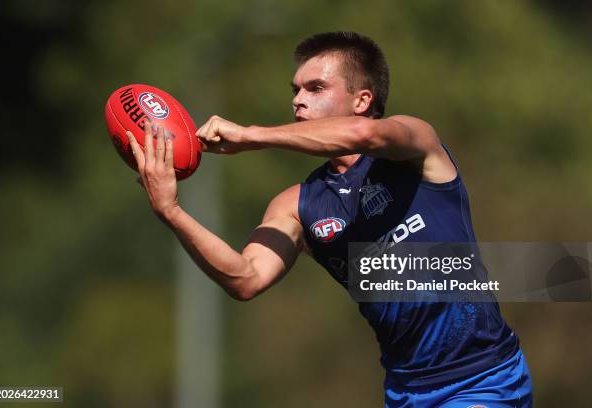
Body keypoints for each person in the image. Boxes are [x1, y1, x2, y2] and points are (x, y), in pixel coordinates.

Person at [126, 31, 533, 407]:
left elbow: (364, 137)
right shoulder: (297, 206)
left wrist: (253, 136)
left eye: (316, 88)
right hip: (406, 391)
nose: (297, 100)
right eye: (295, 90)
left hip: (484, 378)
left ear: (362, 100)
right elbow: (245, 278)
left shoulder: (415, 145)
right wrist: (171, 212)